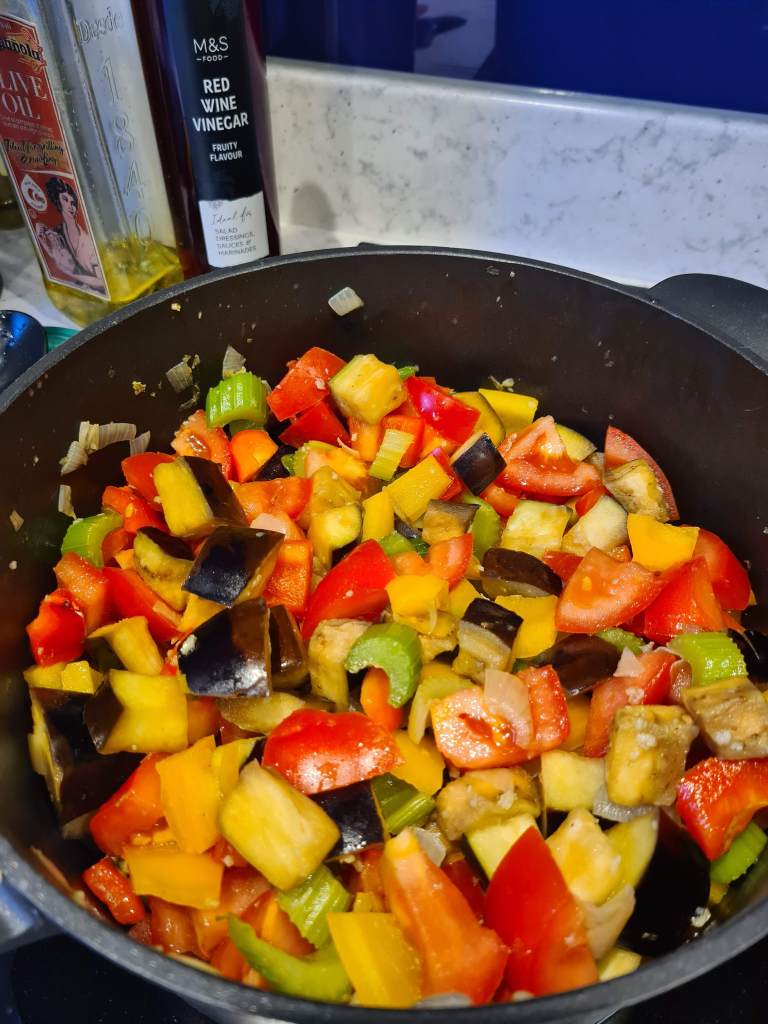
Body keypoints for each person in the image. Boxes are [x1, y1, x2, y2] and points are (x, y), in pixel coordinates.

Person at [35, 177, 106, 293]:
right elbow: (54, 256)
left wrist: (72, 274)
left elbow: (101, 282)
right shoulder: (58, 232)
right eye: (65, 200)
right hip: (74, 293)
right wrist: (41, 238)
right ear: (58, 202)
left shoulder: (88, 241)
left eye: (72, 202)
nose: (70, 206)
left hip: (98, 294)